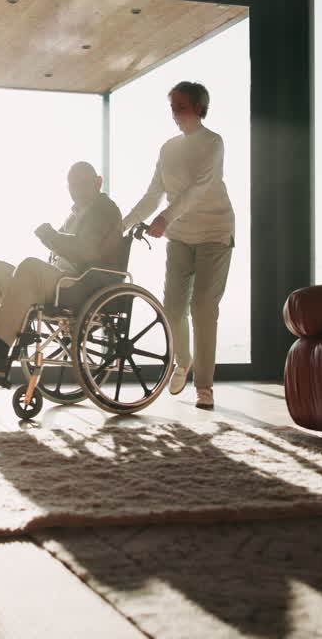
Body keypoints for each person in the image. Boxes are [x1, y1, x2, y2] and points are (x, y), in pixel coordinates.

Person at [0, 161, 122, 379]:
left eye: (83, 184)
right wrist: (53, 239)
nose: (77, 191)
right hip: (59, 280)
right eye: (73, 186)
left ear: (98, 182)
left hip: (81, 283)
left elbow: (85, 252)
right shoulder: (75, 214)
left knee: (30, 266)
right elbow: (61, 250)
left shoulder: (104, 210)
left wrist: (51, 236)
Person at [121, 81, 234, 409]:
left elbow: (199, 188)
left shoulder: (213, 143)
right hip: (181, 236)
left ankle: (204, 386)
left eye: (181, 107)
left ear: (200, 108)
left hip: (215, 232)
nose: (175, 114)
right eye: (172, 107)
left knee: (202, 308)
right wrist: (121, 225)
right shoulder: (167, 148)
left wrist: (164, 219)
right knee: (172, 308)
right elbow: (153, 193)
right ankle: (183, 362)